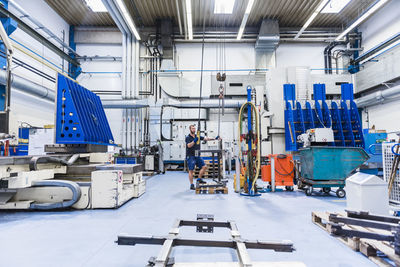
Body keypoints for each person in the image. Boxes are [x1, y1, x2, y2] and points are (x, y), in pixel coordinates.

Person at [185, 124, 220, 190]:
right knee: (191, 170)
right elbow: (189, 145)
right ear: (190, 129)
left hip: (197, 155)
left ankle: (199, 179)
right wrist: (194, 141)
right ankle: (191, 184)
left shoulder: (197, 136)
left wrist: (215, 138)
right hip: (191, 156)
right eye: (192, 128)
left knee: (204, 167)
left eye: (194, 128)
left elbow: (206, 139)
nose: (194, 130)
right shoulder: (188, 137)